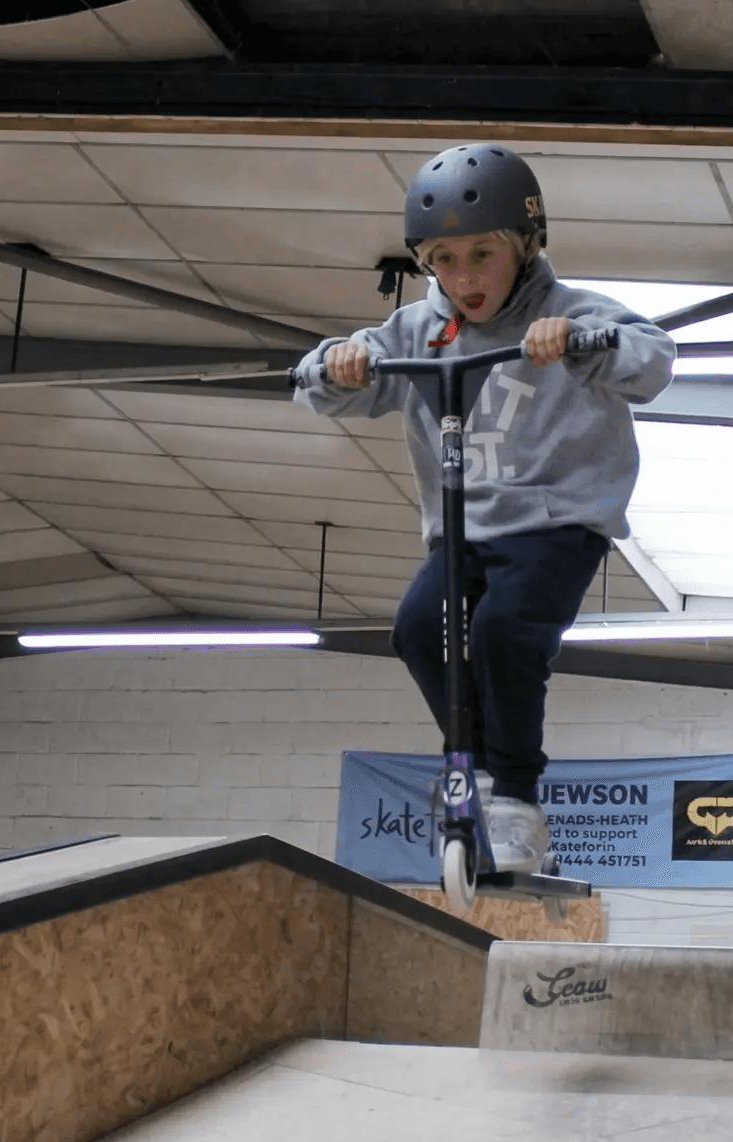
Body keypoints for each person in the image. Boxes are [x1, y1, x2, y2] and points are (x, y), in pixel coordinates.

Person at [291, 143, 675, 874]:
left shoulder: (571, 311)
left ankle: (517, 796)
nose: (464, 279)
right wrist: (334, 362)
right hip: (460, 532)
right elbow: (322, 385)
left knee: (502, 631)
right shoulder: (415, 334)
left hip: (556, 524)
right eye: (444, 260)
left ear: (527, 246)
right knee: (413, 630)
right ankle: (478, 771)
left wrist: (578, 346)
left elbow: (653, 361)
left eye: (482, 256)